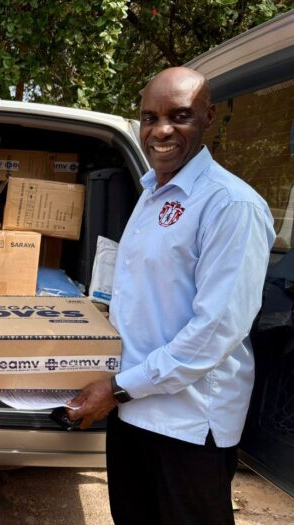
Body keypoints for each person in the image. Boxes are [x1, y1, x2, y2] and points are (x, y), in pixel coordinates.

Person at [68, 67, 275, 525]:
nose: (161, 131)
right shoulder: (152, 192)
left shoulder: (231, 206)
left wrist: (118, 388)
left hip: (186, 424)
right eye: (149, 117)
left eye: (179, 116)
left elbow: (215, 332)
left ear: (209, 117)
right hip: (133, 411)